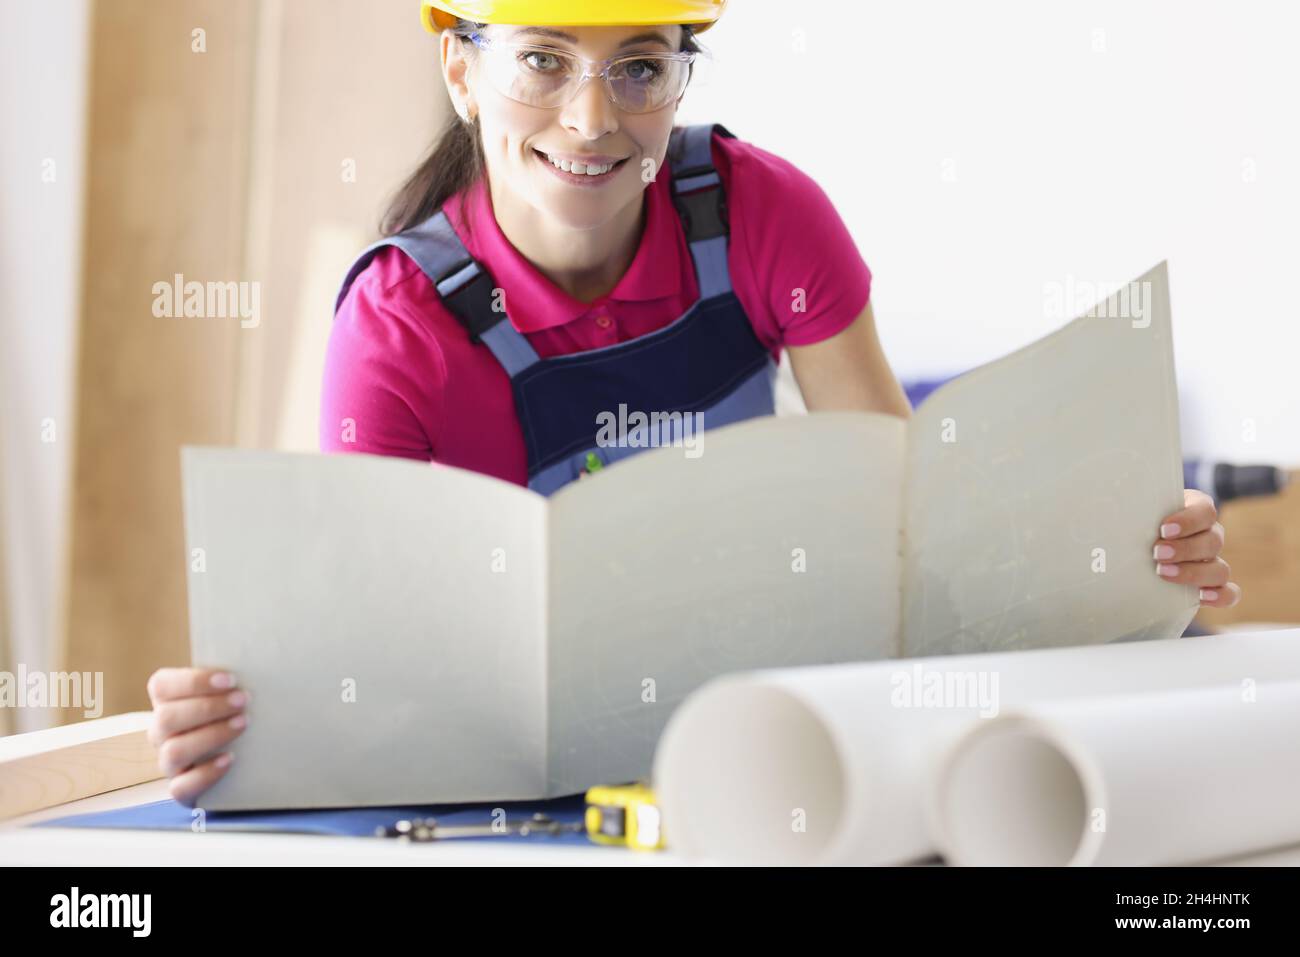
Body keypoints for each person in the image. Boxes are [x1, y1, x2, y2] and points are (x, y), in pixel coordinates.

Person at [146, 0, 1239, 807]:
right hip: (526, 794)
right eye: (540, 62)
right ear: (461, 70)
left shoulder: (761, 213)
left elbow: (921, 543)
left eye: (639, 68)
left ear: (682, 75)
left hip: (761, 746)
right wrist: (245, 727)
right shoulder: (396, 328)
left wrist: (1118, 556)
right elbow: (356, 654)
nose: (591, 119)